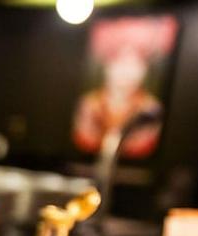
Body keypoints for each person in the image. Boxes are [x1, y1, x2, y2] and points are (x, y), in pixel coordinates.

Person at [72, 16, 178, 159]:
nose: (128, 72)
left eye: (136, 64)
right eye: (121, 62)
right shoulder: (89, 105)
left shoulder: (150, 109)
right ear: (108, 66)